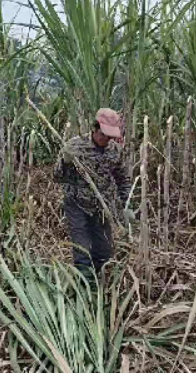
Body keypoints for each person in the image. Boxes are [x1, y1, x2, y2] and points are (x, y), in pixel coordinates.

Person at [53, 108, 131, 281]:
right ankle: (86, 287)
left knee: (104, 252)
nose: (107, 140)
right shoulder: (74, 146)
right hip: (76, 203)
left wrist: (126, 204)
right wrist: (65, 163)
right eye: (104, 135)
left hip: (102, 206)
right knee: (81, 248)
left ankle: (103, 284)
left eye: (110, 136)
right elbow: (57, 177)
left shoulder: (114, 150)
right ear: (95, 128)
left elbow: (122, 178)